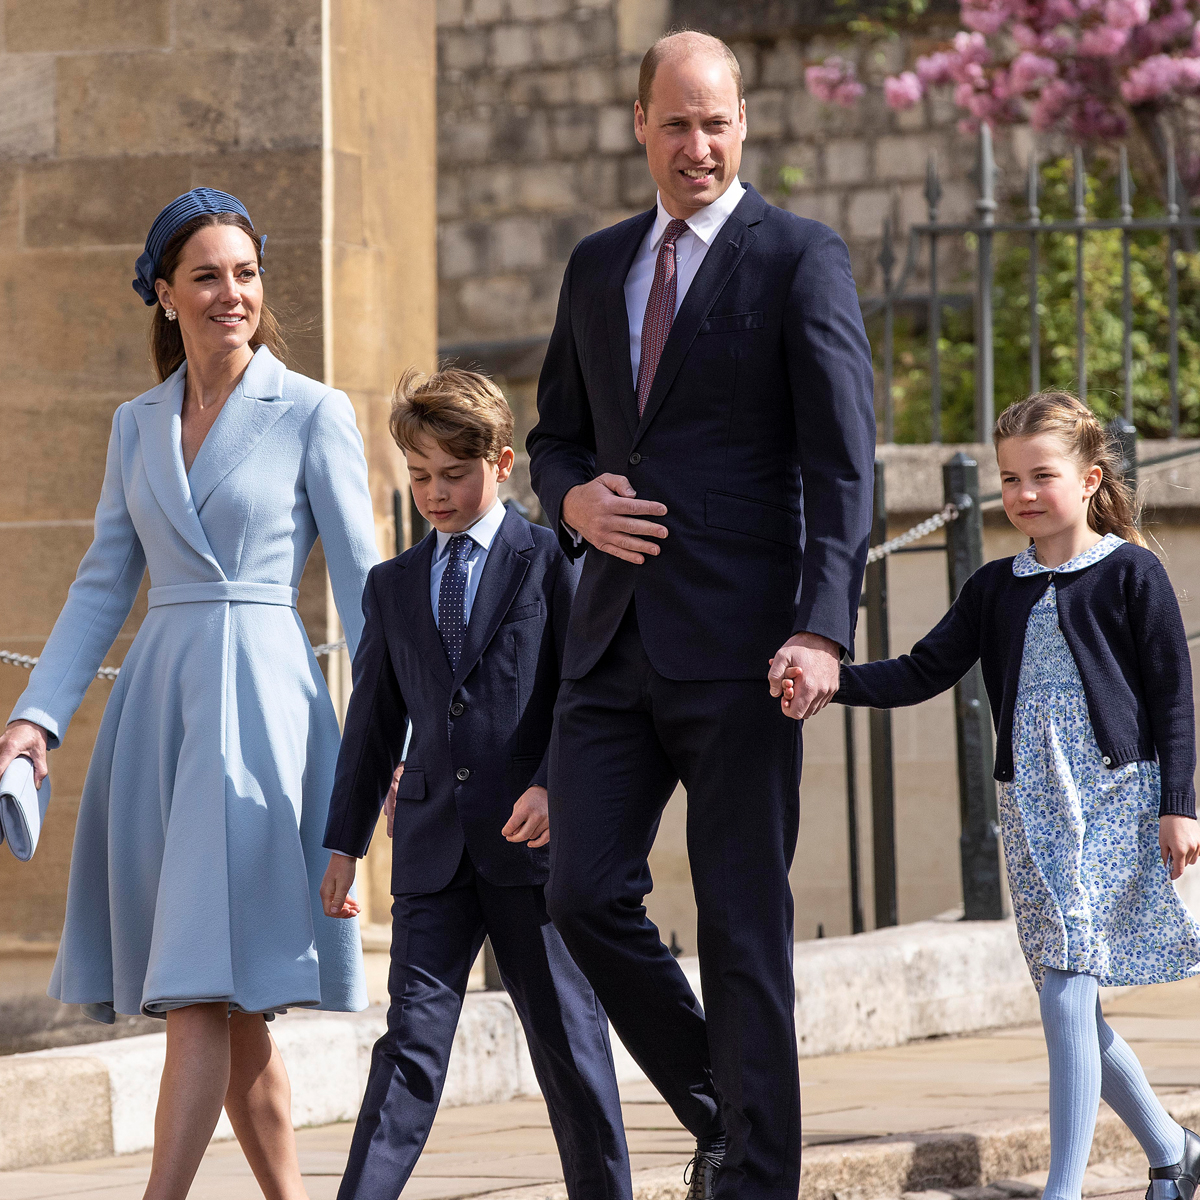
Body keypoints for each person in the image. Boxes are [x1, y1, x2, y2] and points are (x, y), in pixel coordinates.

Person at [526, 29, 876, 1200]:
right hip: (609, 644)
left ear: (745, 123)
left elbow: (843, 467)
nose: (698, 145)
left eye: (716, 121)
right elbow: (554, 437)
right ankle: (730, 1108)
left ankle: (755, 1178)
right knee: (578, 893)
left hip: (744, 651)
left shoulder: (800, 258)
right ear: (640, 125)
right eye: (675, 122)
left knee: (741, 931)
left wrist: (822, 627)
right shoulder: (597, 264)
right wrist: (570, 497)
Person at [0, 188, 380, 1200]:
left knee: (205, 996)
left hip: (263, 716)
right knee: (227, 1001)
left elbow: (367, 597)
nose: (231, 294)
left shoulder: (314, 411)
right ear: (164, 295)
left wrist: (392, 750)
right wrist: (35, 721)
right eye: (206, 276)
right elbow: (98, 586)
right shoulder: (136, 427)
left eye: (247, 274)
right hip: (160, 718)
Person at [823, 392, 1200, 1200]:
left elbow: (1173, 695)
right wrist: (831, 680)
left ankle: (1064, 1189)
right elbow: (919, 672)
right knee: (1066, 991)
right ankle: (1174, 1151)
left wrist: (1181, 803)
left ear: (1091, 477)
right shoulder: (995, 586)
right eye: (1008, 479)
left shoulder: (1133, 572)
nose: (1023, 493)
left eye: (1042, 475)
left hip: (1112, 799)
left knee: (1069, 979)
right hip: (1030, 802)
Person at [319, 367, 631, 1200]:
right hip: (430, 851)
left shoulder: (551, 557)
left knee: (569, 1045)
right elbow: (374, 723)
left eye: (453, 474)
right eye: (419, 476)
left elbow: (589, 689)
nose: (435, 493)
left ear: (500, 463)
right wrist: (343, 843)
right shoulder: (390, 586)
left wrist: (555, 786)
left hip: (532, 850)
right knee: (410, 1047)